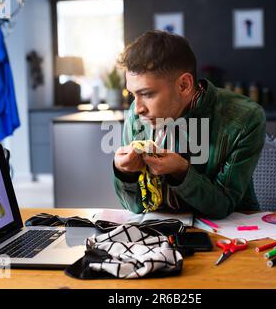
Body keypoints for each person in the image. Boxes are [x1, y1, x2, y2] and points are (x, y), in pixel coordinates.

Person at [113, 30, 266, 219]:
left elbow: (223, 206)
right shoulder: (137, 115)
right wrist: (124, 174)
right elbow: (134, 208)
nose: (137, 109)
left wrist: (182, 171)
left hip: (230, 234)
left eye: (147, 94)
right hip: (159, 235)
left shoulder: (246, 118)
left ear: (184, 85)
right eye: (132, 94)